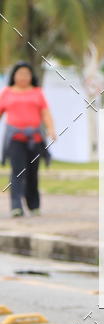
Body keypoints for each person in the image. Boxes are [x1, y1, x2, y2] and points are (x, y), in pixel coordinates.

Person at [0, 62, 56, 217]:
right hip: (15, 139)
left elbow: (45, 113)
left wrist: (51, 129)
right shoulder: (7, 93)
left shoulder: (37, 92)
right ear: (14, 76)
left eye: (26, 74)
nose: (23, 77)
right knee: (17, 172)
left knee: (32, 173)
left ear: (31, 76)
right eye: (20, 73)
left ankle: (34, 205)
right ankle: (16, 206)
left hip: (34, 139)